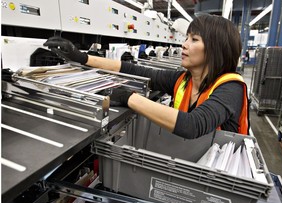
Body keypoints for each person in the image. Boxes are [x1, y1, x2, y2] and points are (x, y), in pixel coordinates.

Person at [43, 14, 249, 139]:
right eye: (186, 38)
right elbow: (135, 71)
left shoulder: (231, 88)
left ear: (215, 49)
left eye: (194, 39)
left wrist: (129, 98)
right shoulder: (184, 80)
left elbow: (192, 125)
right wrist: (82, 57)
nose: (184, 45)